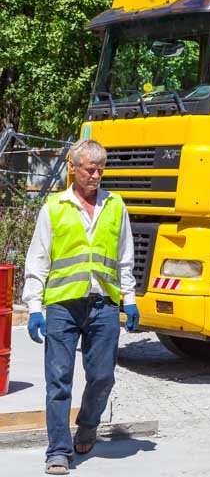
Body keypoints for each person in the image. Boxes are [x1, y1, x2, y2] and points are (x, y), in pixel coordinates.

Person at [23, 139, 138, 476]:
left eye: (101, 169)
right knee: (59, 381)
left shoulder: (115, 206)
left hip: (104, 305)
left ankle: (88, 425)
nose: (96, 175)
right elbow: (38, 260)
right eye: (90, 169)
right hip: (63, 306)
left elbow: (125, 257)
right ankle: (58, 451)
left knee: (102, 377)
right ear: (72, 168)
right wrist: (34, 307)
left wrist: (129, 299)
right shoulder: (54, 208)